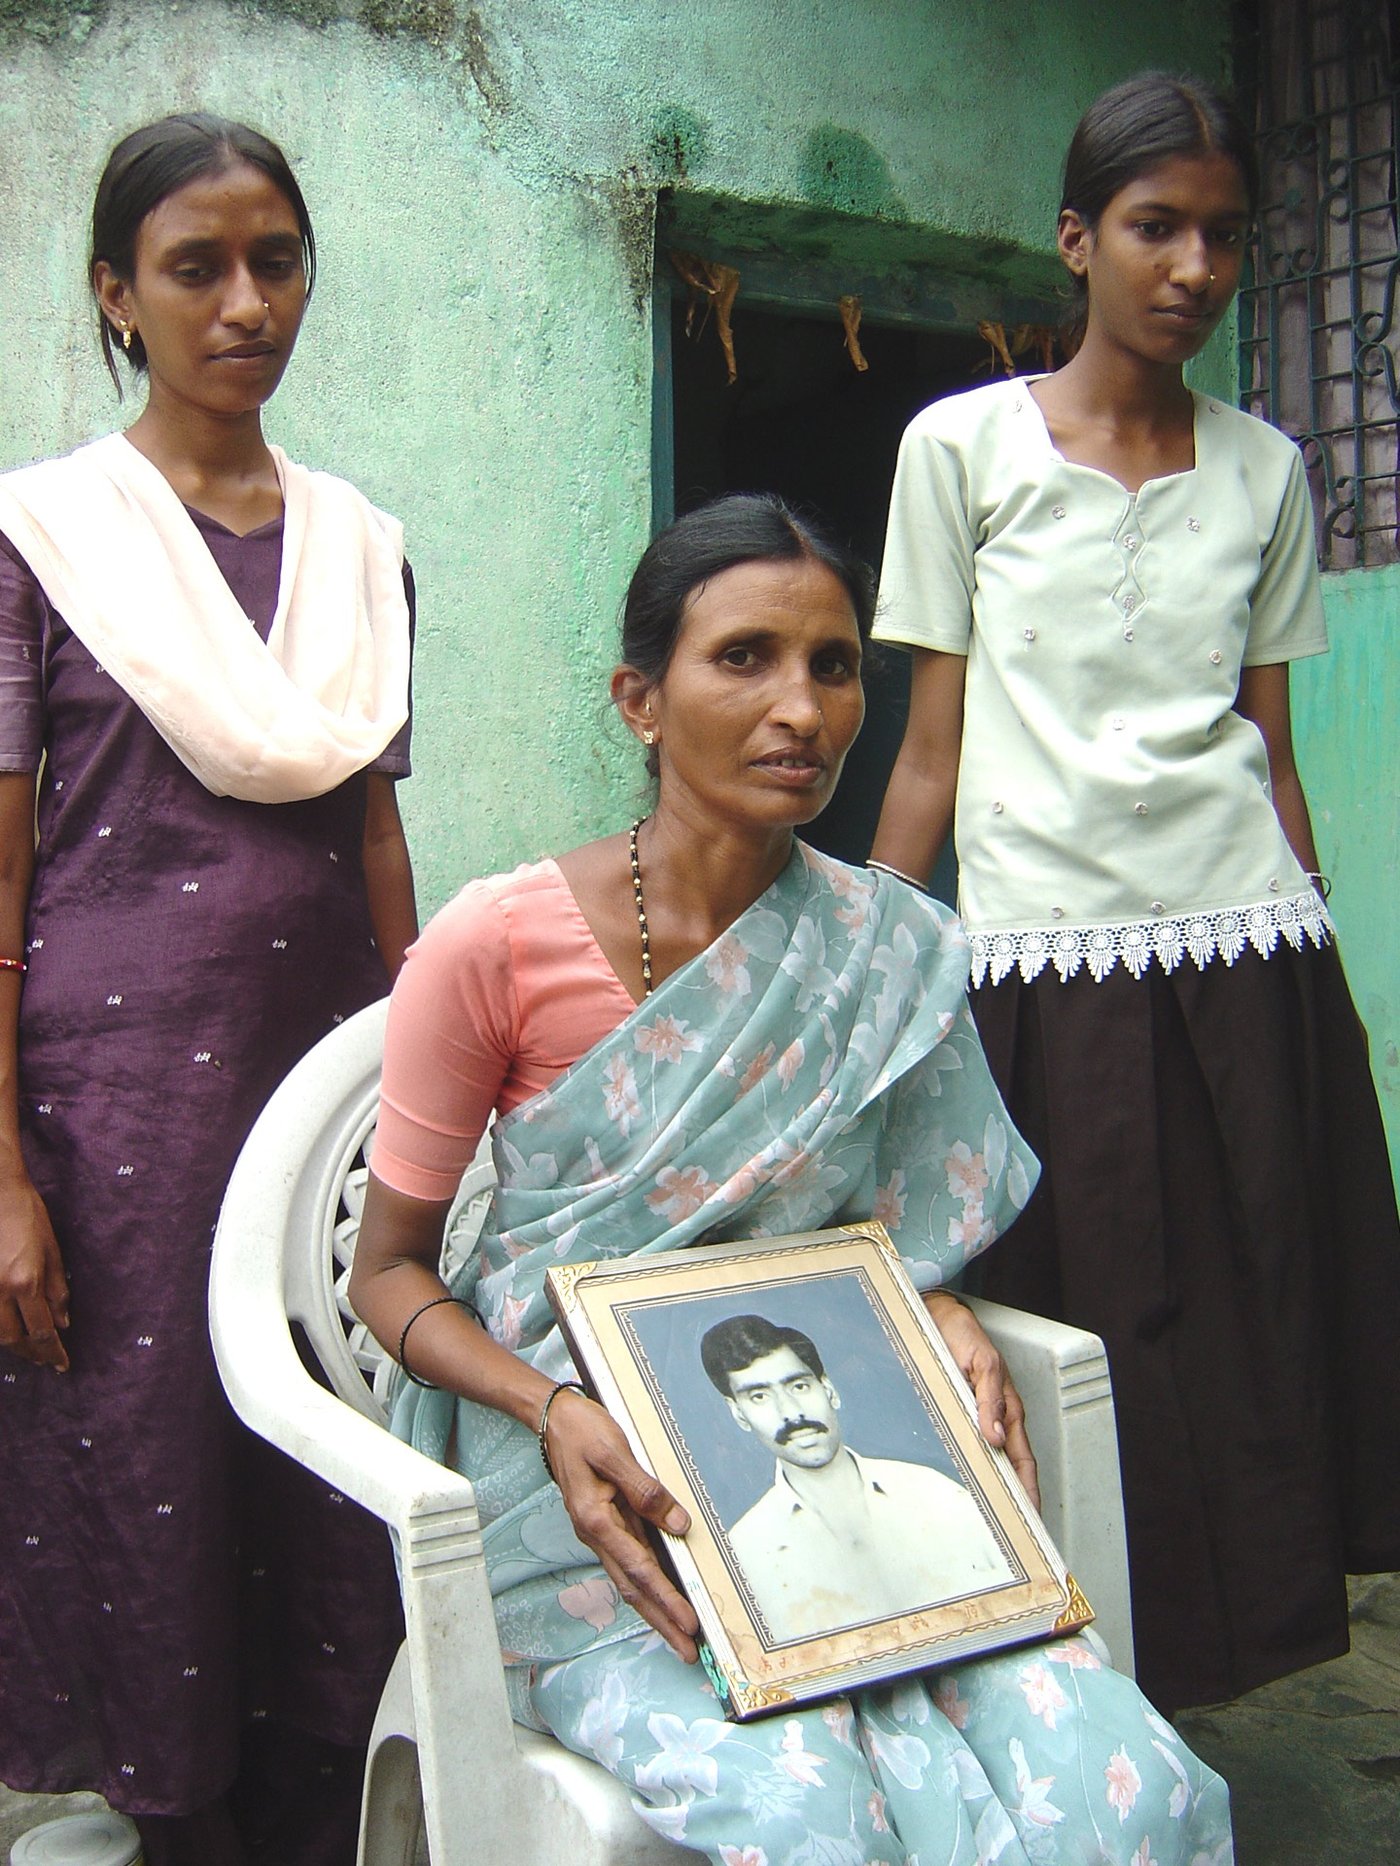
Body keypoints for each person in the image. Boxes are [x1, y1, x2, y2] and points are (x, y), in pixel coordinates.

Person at [349, 492, 1232, 1865]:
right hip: (595, 1499)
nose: (803, 708)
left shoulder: (889, 948)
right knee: (809, 1808)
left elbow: (889, 1221)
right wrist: (555, 1407)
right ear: (640, 698)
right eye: (745, 657)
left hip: (849, 1473)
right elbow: (389, 1270)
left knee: (1136, 1786)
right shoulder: (492, 943)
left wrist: (934, 1300)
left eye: (834, 666)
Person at [869, 70, 1400, 1714]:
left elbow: (1272, 750)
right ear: (1075, 239)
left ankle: (1223, 1690)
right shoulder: (960, 449)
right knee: (1077, 1335)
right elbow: (932, 757)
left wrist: (1332, 1001)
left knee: (1261, 1322)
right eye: (1156, 228)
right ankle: (1071, 1693)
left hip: (1247, 957)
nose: (1194, 268)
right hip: (1037, 965)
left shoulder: (1268, 470)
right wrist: (866, 973)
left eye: (1225, 237)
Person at [0, 116, 417, 1866]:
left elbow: (383, 837)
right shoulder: (44, 537)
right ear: (115, 293)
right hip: (115, 1128)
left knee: (322, 1450)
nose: (245, 303)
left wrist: (433, 1087)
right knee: (145, 1468)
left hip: (317, 1092)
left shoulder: (359, 548)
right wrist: (3, 1172)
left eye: (277, 261)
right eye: (194, 267)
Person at [701, 1313, 1012, 1641]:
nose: (791, 1412)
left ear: (829, 1390)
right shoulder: (744, 1553)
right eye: (759, 1397)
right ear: (739, 1414)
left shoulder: (937, 1493)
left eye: (799, 1386)